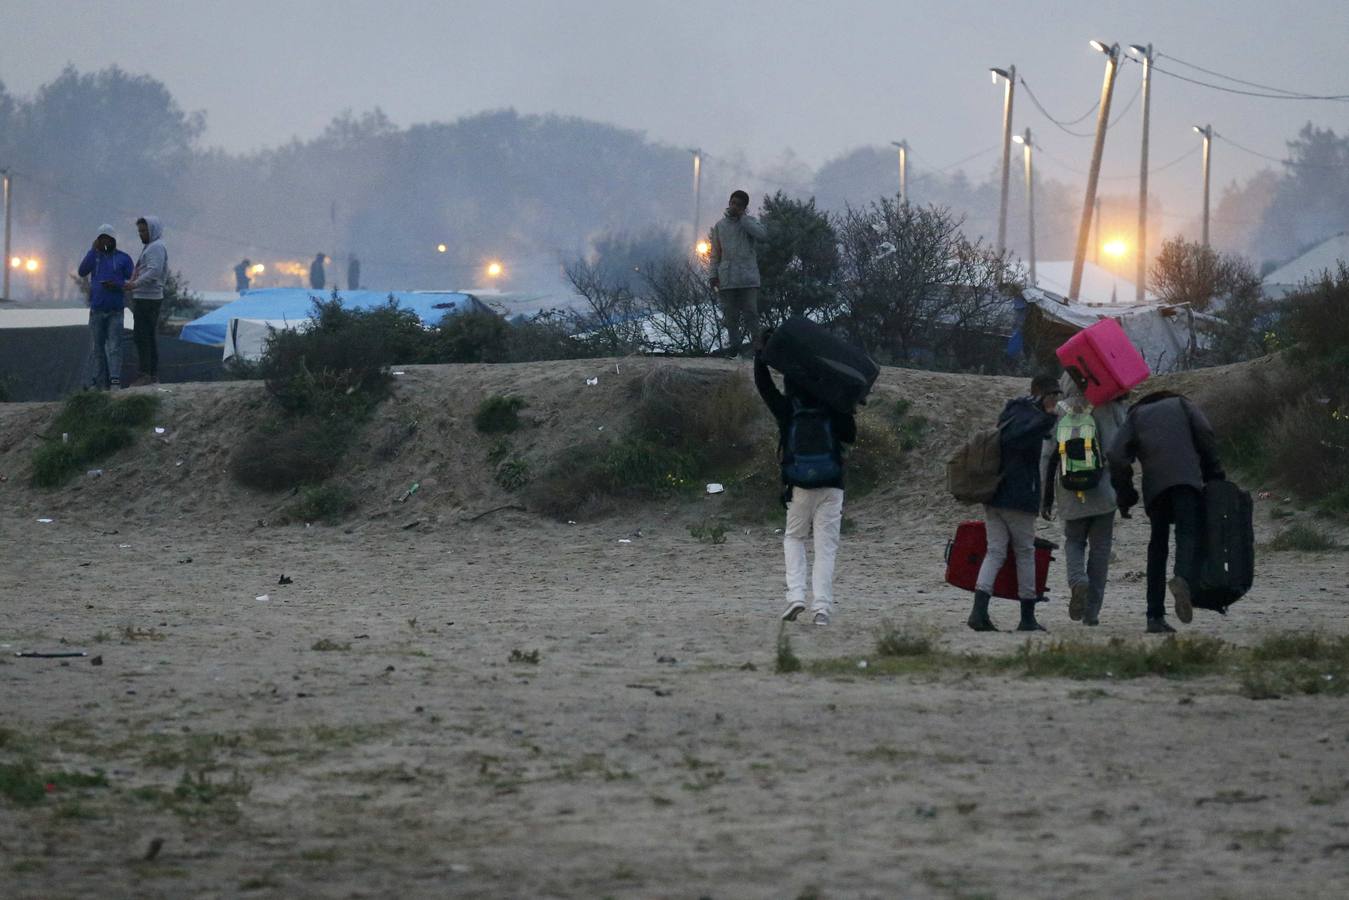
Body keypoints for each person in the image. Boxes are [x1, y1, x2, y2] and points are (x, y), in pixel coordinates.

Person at [754, 335, 857, 627]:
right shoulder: (834, 406)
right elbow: (850, 435)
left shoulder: (788, 409)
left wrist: (759, 358)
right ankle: (821, 609)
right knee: (826, 548)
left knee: (794, 538)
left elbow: (764, 387)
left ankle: (796, 596)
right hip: (832, 484)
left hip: (799, 484)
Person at [1108, 391, 1225, 633]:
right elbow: (1205, 433)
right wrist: (1213, 472)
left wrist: (1125, 495)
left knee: (1157, 548)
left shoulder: (1135, 415)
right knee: (1188, 535)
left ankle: (1154, 616)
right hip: (1186, 481)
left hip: (1156, 488)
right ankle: (1181, 578)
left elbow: (1116, 455)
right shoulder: (1183, 404)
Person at [967, 374, 1061, 633]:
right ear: (1042, 394)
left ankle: (979, 611)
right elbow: (1028, 433)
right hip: (1018, 497)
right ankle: (1027, 617)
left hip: (994, 493)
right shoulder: (1033, 418)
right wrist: (1049, 416)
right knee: (1025, 553)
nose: (1054, 400)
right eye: (1052, 395)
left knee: (995, 552)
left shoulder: (1012, 410)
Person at [1040, 375, 1127, 626]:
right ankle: (1091, 613)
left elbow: (1048, 456)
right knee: (1100, 550)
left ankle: (1078, 581)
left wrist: (1044, 500)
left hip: (1069, 491)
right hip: (1102, 491)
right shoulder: (1106, 407)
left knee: (1074, 541)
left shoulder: (1059, 410)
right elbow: (1116, 450)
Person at [708, 190, 768, 357]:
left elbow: (762, 235)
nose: (734, 206)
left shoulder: (749, 223)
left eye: (739, 204)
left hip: (748, 278)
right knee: (731, 316)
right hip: (727, 279)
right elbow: (715, 254)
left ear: (744, 207)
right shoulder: (720, 226)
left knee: (751, 313)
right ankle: (735, 348)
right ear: (729, 202)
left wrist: (743, 219)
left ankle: (758, 347)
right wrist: (713, 275)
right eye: (733, 202)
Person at [77, 225, 133, 391]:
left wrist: (116, 284)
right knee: (97, 347)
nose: (105, 242)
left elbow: (132, 279)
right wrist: (92, 250)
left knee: (115, 346)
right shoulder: (94, 257)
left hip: (115, 310)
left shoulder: (123, 258)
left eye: (107, 239)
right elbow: (82, 271)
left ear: (113, 239)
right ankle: (96, 381)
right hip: (97, 310)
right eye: (102, 239)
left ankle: (115, 380)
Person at [122, 216, 167, 387]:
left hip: (148, 297)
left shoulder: (156, 248)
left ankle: (146, 373)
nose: (141, 234)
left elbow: (154, 271)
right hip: (145, 296)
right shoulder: (151, 247)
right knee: (148, 335)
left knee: (142, 336)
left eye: (144, 231)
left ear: (152, 230)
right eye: (139, 231)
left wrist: (135, 284)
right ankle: (152, 373)